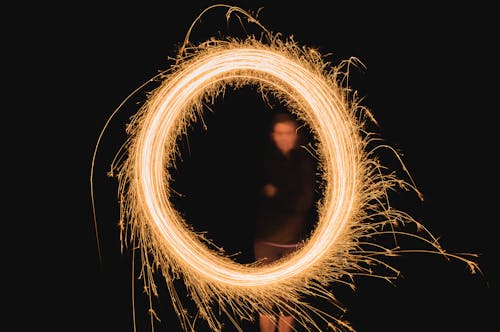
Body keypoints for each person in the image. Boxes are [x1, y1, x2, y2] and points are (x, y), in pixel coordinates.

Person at [253, 111, 316, 332]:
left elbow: (305, 201)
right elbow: (256, 195)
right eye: (279, 133)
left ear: (295, 135)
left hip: (294, 242)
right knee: (267, 300)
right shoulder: (262, 160)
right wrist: (285, 196)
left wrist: (277, 193)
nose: (284, 137)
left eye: (288, 133)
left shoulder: (304, 161)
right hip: (266, 241)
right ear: (273, 135)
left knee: (288, 301)